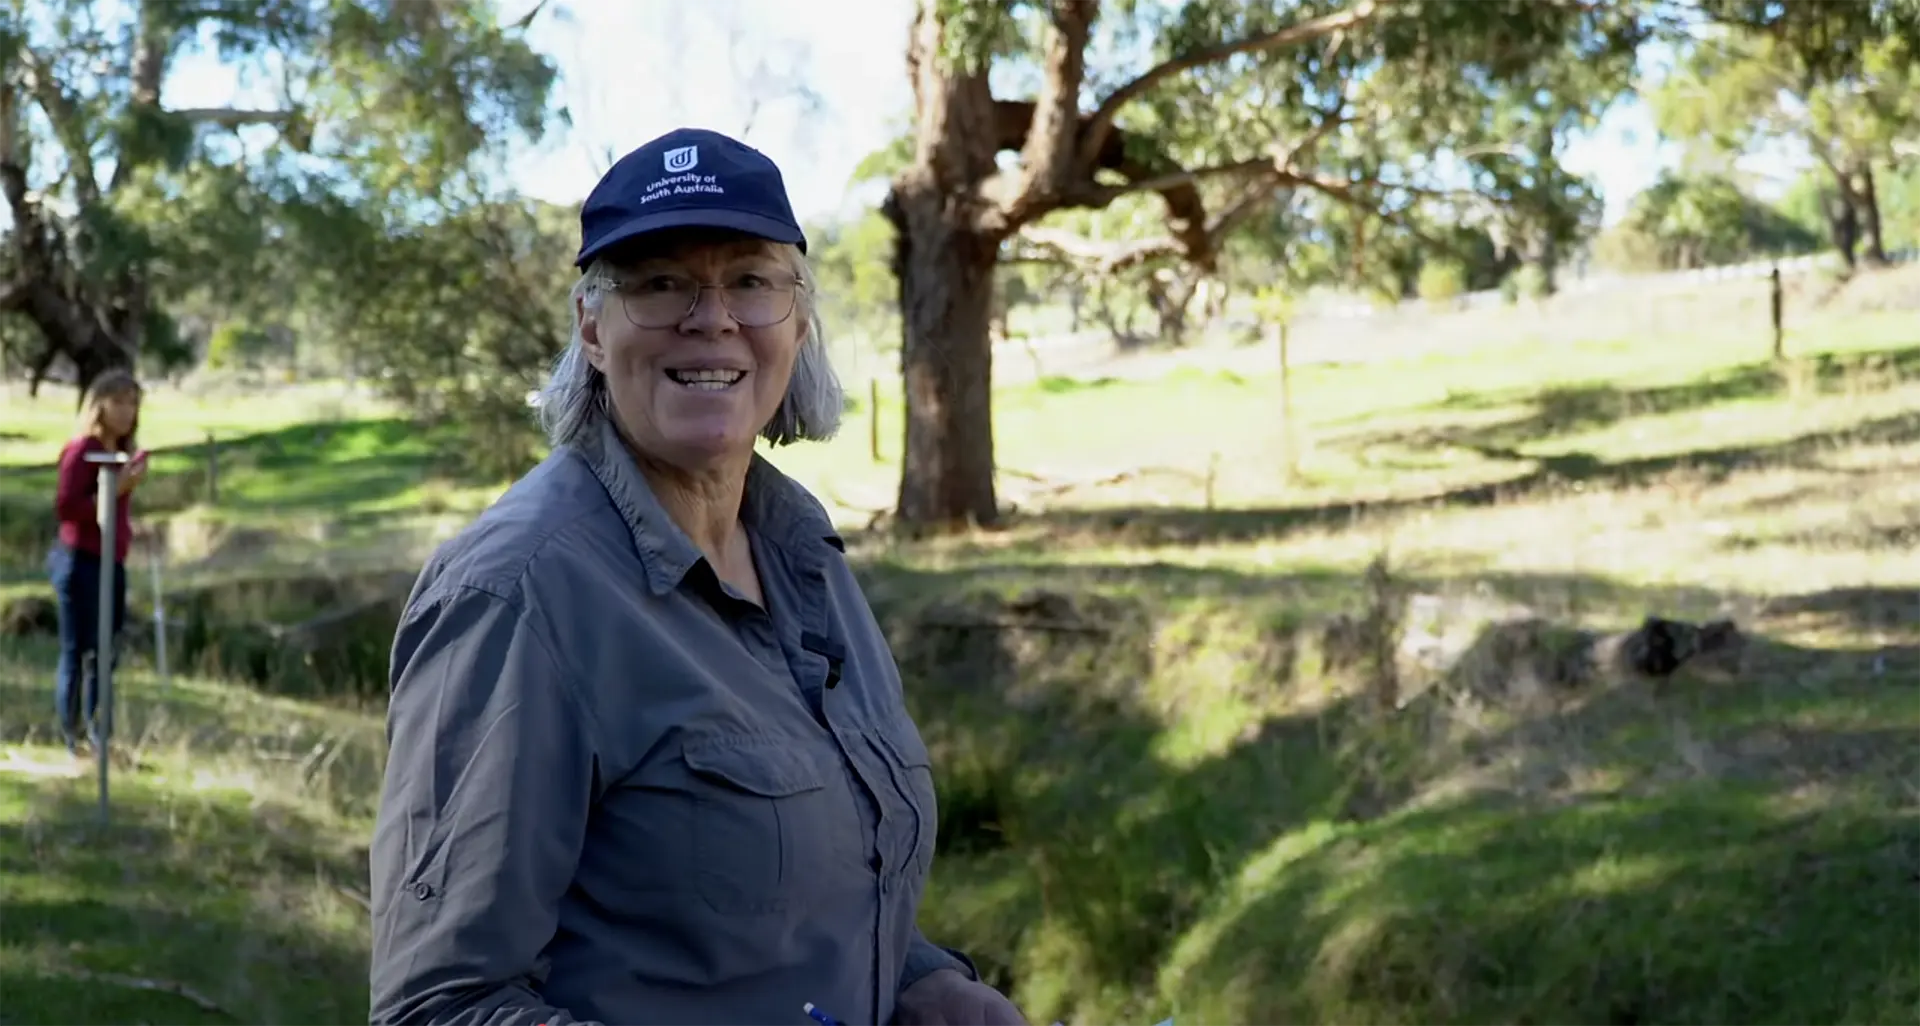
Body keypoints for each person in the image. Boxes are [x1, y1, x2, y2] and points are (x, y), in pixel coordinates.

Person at [368, 127, 1030, 1026]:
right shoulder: (518, 594)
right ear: (593, 328)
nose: (711, 317)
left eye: (751, 281)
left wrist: (928, 986)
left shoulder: (804, 558)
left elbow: (779, 898)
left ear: (798, 322)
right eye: (660, 283)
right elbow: (441, 1008)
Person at [50, 369, 148, 755]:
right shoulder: (80, 452)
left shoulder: (123, 452)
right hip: (79, 561)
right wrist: (116, 489)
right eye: (119, 401)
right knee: (79, 650)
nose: (126, 412)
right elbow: (68, 509)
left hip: (113, 561)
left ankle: (99, 735)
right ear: (99, 404)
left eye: (133, 403)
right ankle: (72, 735)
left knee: (107, 651)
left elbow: (116, 511)